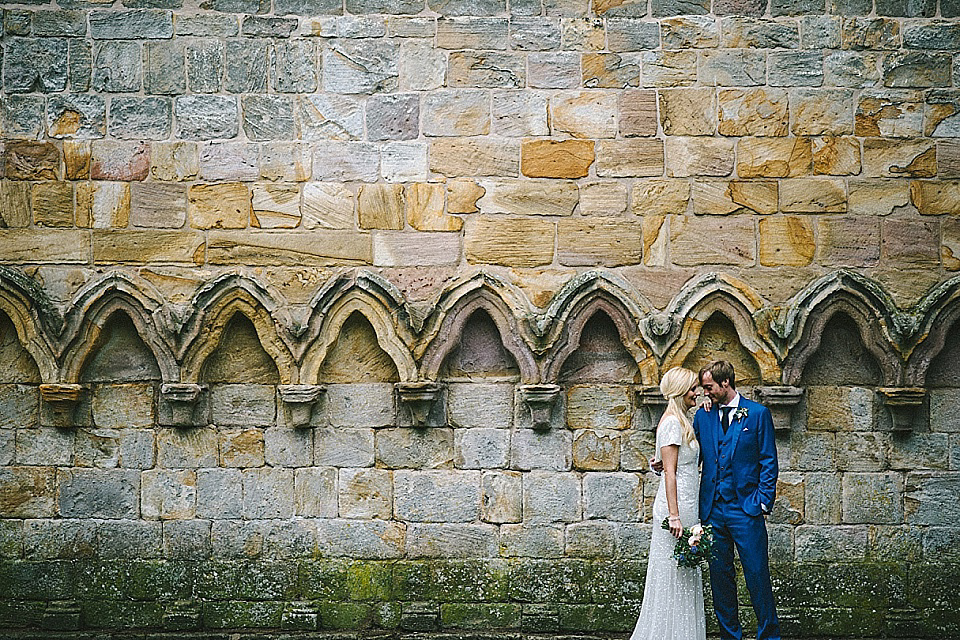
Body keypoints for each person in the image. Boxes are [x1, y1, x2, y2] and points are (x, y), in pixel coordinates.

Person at [695, 360, 781, 640]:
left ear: (726, 383)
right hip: (713, 510)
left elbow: (769, 461)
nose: (705, 393)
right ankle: (730, 636)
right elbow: (689, 453)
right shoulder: (703, 416)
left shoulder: (757, 414)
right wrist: (662, 463)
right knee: (720, 578)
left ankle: (768, 635)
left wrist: (762, 501)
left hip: (746, 509)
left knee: (757, 574)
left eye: (709, 388)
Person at [631, 366, 706, 640]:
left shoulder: (680, 420)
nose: (695, 392)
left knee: (683, 568)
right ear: (679, 391)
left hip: (686, 502)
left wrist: (657, 465)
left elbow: (664, 465)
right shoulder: (673, 423)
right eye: (691, 388)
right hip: (677, 507)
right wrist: (674, 515)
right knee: (673, 569)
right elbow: (671, 472)